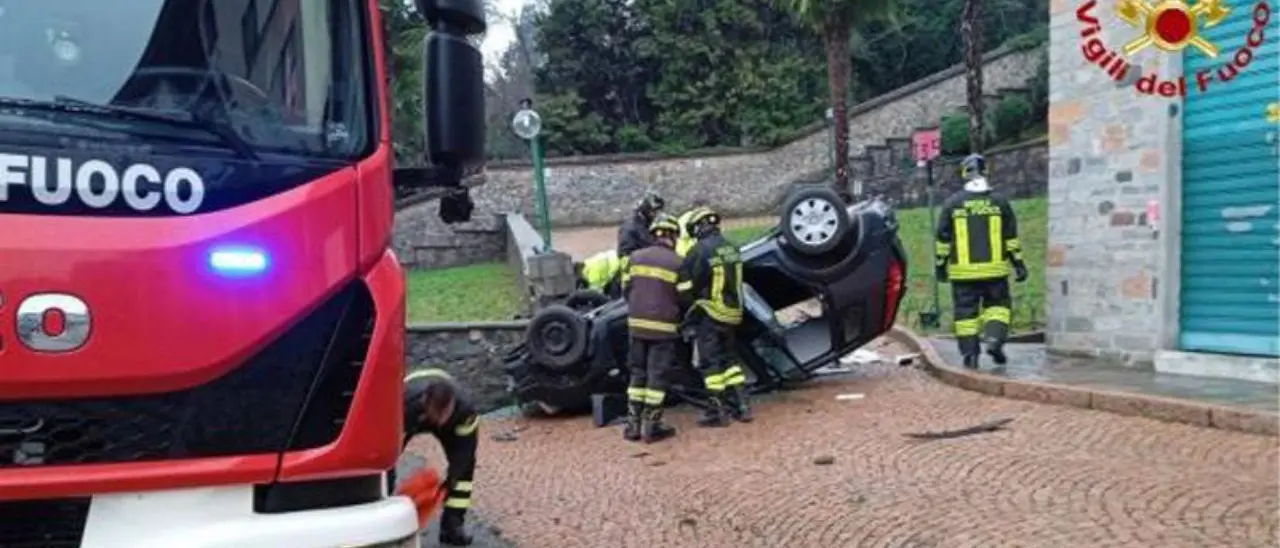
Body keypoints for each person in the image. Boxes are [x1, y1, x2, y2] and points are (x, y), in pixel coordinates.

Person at [934, 154, 1028, 369]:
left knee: (966, 315)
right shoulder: (1000, 202)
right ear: (985, 171)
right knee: (998, 307)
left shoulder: (952, 204)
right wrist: (1019, 265)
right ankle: (994, 341)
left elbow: (943, 240)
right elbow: (1011, 239)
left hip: (963, 274)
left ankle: (970, 355)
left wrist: (940, 267)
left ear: (964, 173)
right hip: (995, 271)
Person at [677, 206, 752, 427]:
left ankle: (717, 413)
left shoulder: (699, 251)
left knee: (711, 365)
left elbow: (686, 287)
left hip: (711, 314)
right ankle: (743, 406)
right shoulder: (731, 247)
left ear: (699, 227)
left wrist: (688, 311)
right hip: (732, 314)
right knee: (730, 361)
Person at [620, 215, 684, 443]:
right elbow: (684, 297)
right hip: (663, 329)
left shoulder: (634, 258)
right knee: (657, 377)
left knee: (637, 374)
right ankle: (652, 427)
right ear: (673, 236)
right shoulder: (678, 262)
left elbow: (626, 290)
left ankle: (632, 426)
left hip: (636, 327)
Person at [401, 368, 481, 546]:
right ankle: (387, 519)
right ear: (425, 402)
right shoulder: (404, 404)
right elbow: (387, 448)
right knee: (385, 464)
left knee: (464, 473)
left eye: (443, 415)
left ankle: (452, 527)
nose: (440, 421)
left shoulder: (465, 411)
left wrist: (451, 480)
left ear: (452, 404)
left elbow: (464, 453)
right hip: (411, 410)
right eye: (435, 414)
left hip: (452, 422)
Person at [617, 191, 665, 260]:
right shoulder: (630, 228)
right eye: (654, 211)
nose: (656, 214)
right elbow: (624, 255)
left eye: (658, 211)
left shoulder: (651, 226)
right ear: (646, 209)